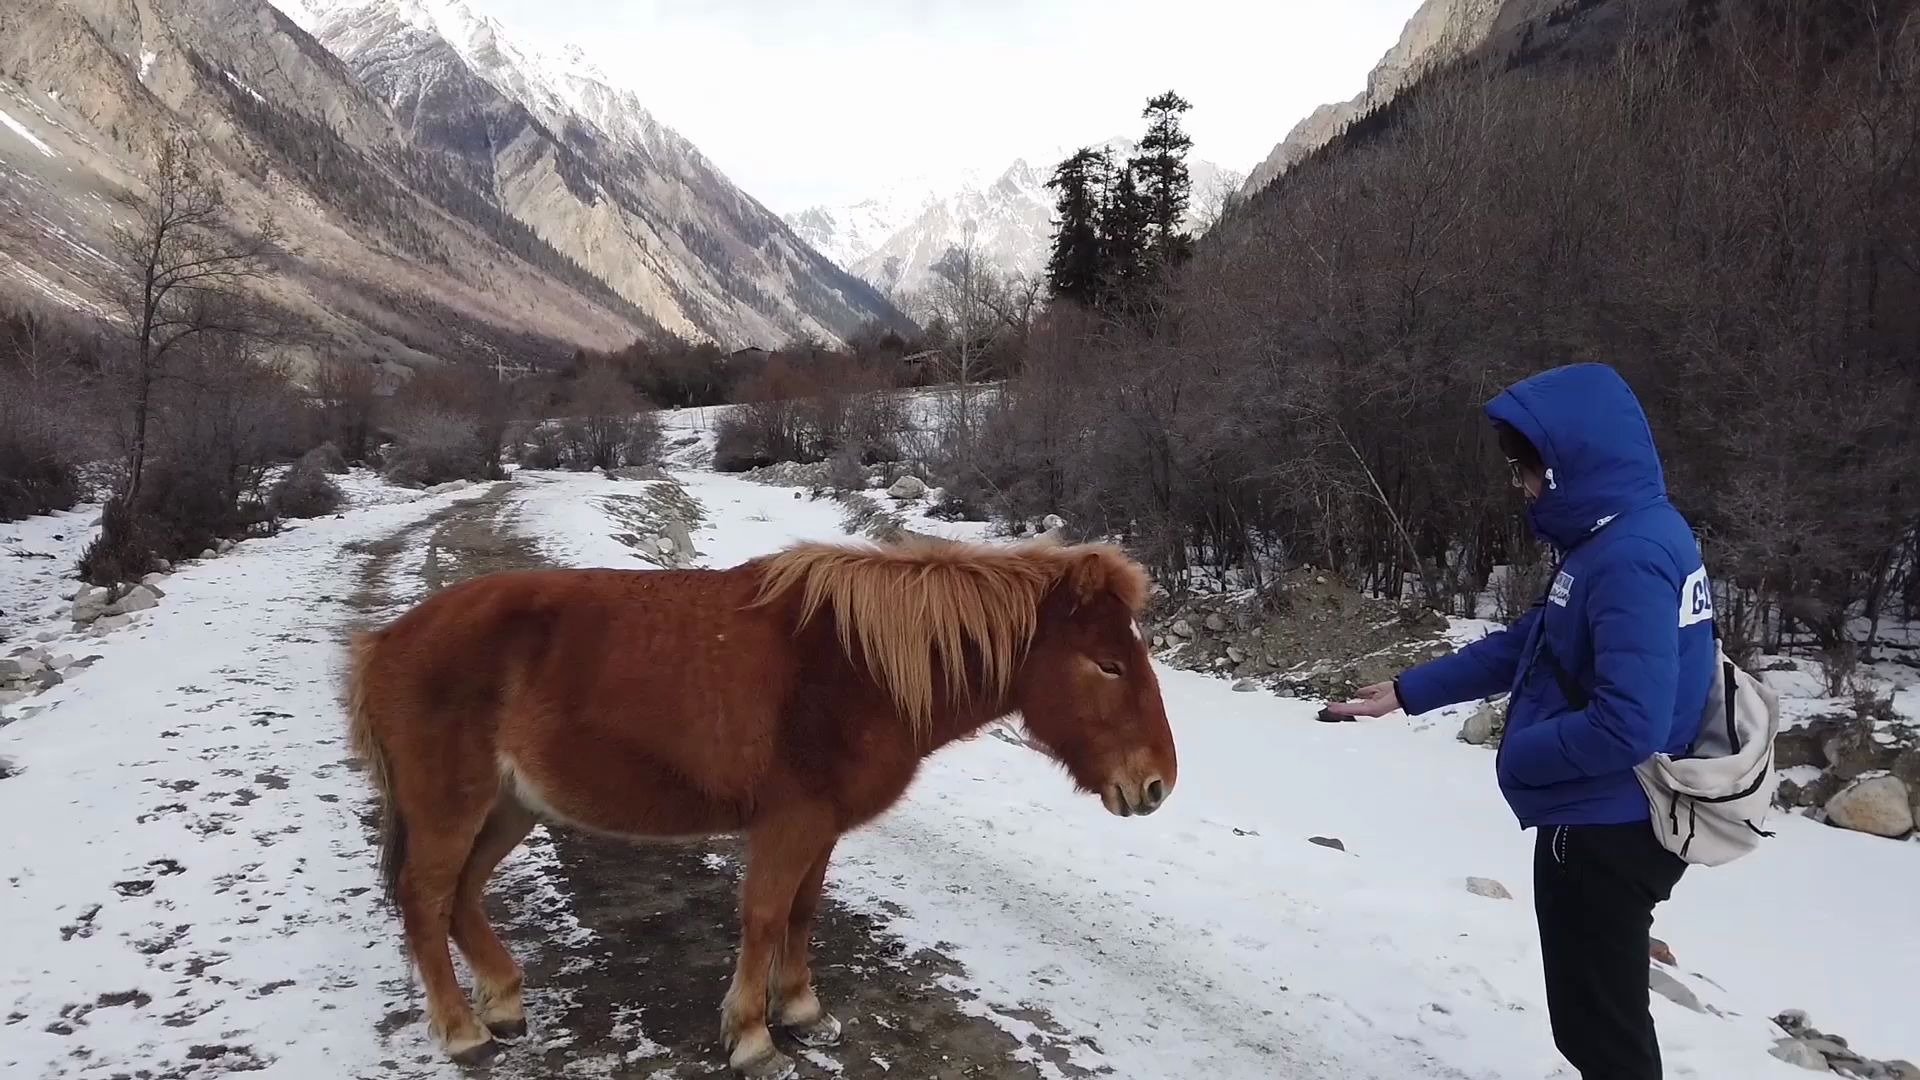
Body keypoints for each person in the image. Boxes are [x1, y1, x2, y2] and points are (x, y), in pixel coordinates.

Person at [1328, 362, 1715, 1080]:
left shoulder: (1628, 558)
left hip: (1604, 827)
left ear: (1570, 465)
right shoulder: (1622, 537)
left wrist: (1522, 757)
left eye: (1526, 469)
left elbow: (1630, 723)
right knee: (1601, 1021)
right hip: (1607, 814)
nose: (1520, 485)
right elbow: (1536, 640)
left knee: (1602, 1034)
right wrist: (1410, 691)